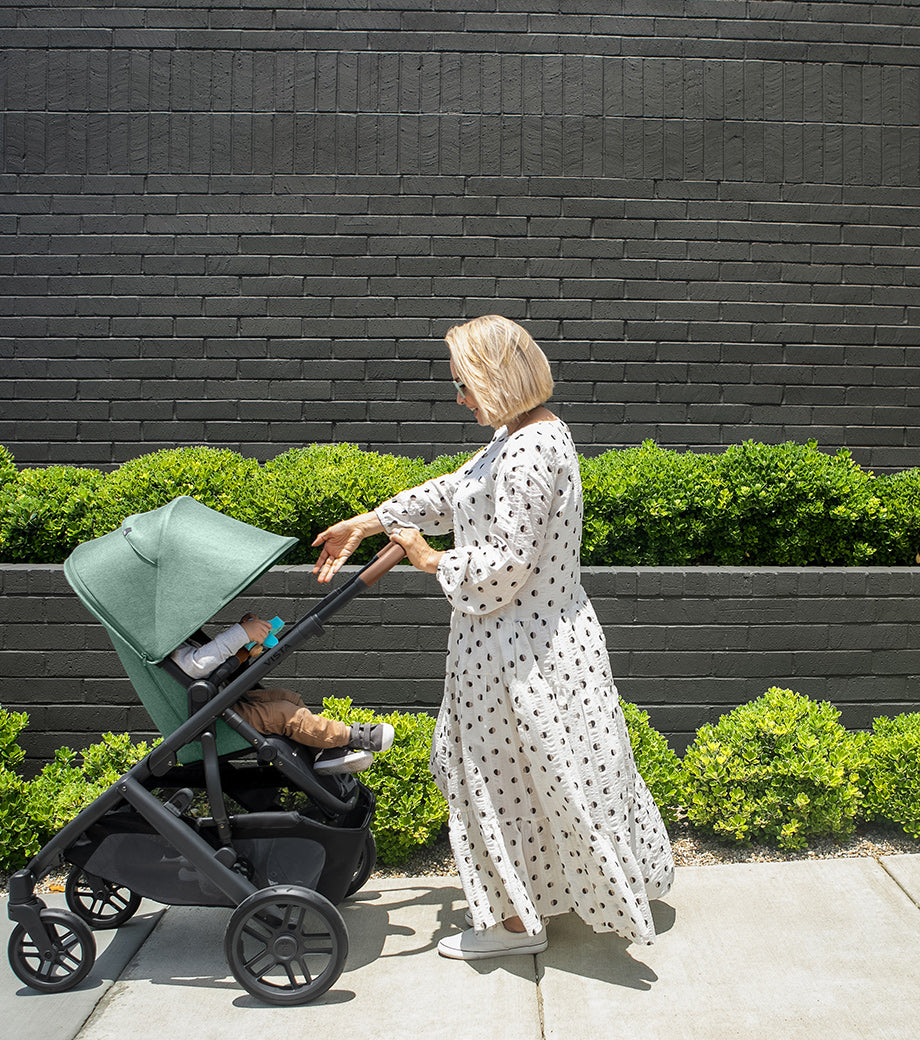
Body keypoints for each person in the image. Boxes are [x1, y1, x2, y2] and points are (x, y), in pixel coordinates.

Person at [312, 315, 674, 960]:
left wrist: (428, 559)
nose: (459, 399)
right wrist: (372, 522)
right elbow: (457, 492)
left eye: (465, 385)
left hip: (519, 654)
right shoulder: (522, 435)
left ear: (498, 380)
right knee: (546, 778)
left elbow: (506, 567)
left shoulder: (532, 448)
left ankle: (514, 927)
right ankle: (543, 902)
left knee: (501, 780)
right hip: (523, 646)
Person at [170, 615, 395, 774]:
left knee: (288, 698)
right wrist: (241, 633)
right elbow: (196, 666)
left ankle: (321, 751)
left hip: (218, 706)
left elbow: (209, 662)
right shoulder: (166, 645)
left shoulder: (174, 636)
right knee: (284, 714)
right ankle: (351, 735)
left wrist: (243, 649)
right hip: (211, 721)